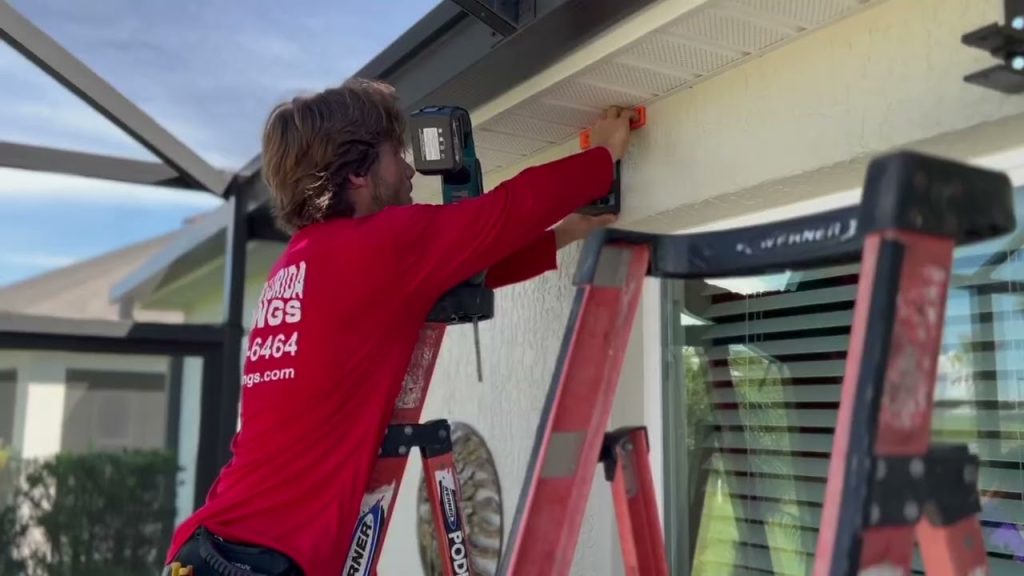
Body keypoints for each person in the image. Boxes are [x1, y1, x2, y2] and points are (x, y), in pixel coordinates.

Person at [162, 77, 637, 576]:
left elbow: (465, 269)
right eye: (396, 153)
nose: (409, 169)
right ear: (359, 173)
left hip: (208, 550)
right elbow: (504, 212)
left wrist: (571, 230)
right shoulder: (378, 247)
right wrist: (601, 158)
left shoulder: (301, 263)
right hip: (266, 563)